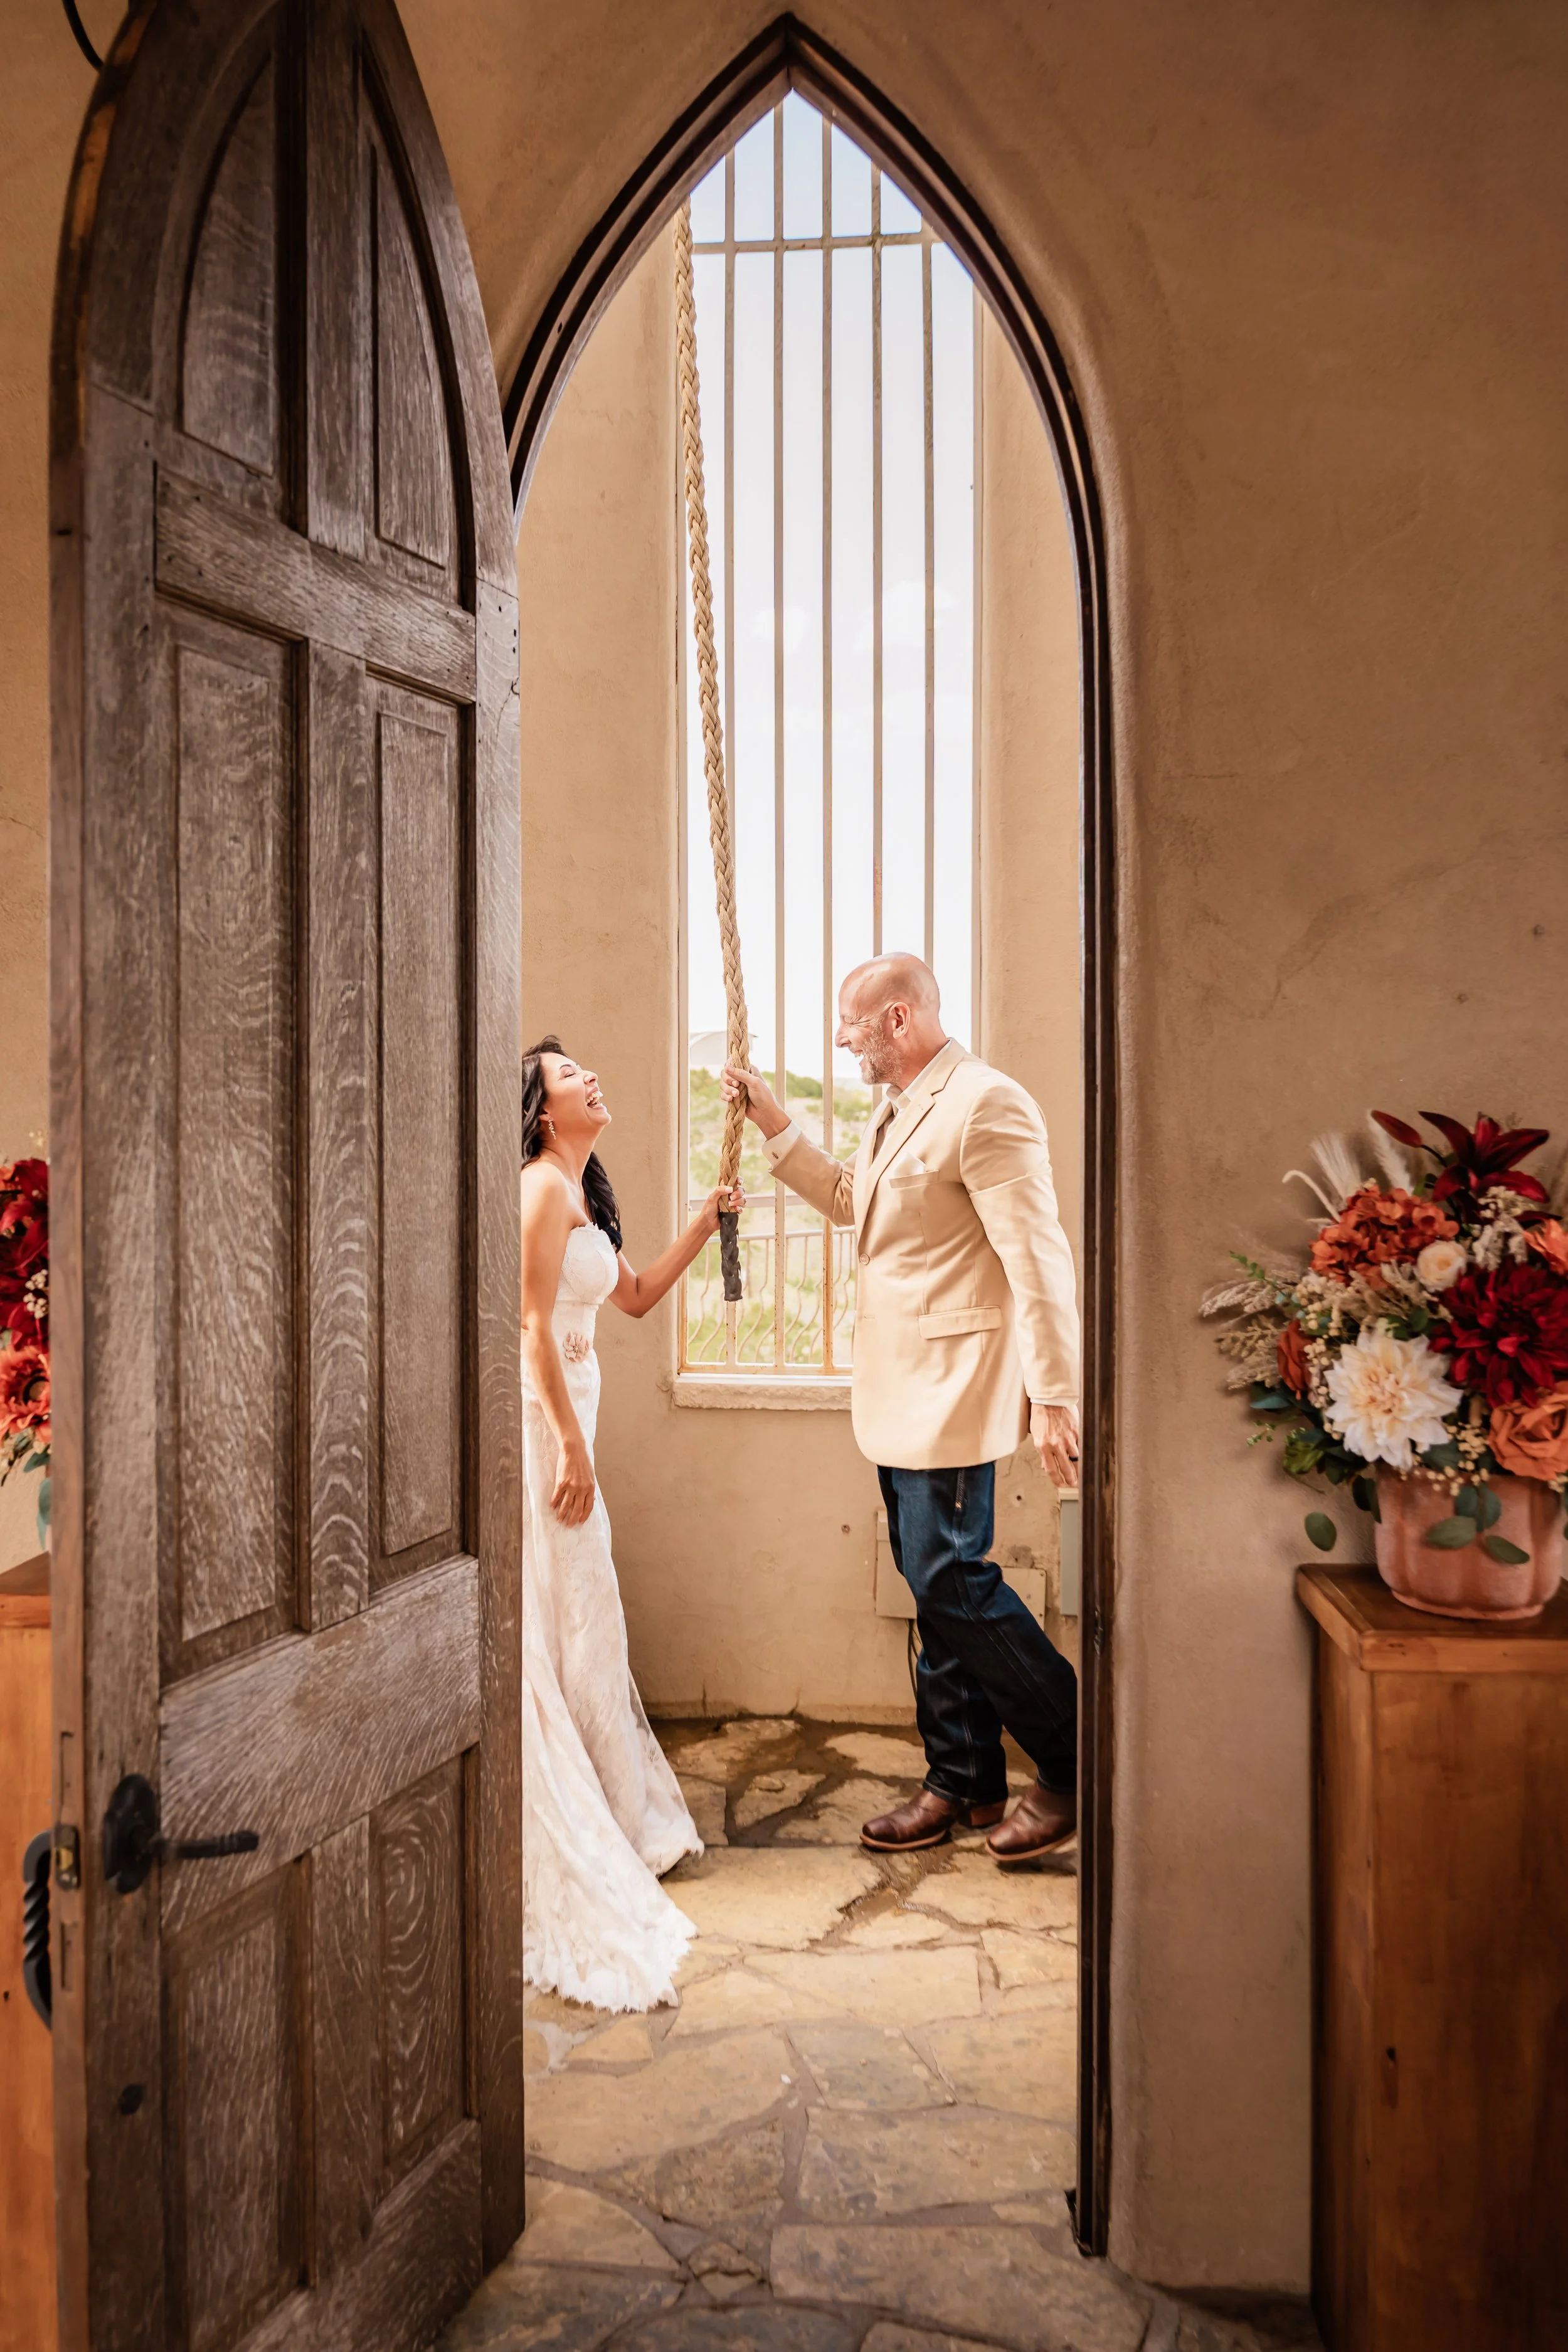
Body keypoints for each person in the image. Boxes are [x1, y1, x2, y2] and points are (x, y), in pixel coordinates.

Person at [723, 956, 1082, 1867]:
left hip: (955, 1388)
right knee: (935, 1588)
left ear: (895, 1017)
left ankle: (1083, 1754)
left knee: (952, 1580)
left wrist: (1055, 1392)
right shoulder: (898, 1108)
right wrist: (774, 1122)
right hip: (899, 1386)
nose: (841, 1040)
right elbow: (856, 1201)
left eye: (849, 1023)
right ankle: (962, 1778)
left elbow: (1037, 1257)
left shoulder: (986, 1102)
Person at [519, 1036, 741, 2008]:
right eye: (571, 1077)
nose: (591, 1077)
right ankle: (588, 1815)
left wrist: (704, 1222)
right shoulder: (537, 1187)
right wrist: (570, 1445)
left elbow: (639, 1296)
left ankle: (617, 1812)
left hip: (574, 1422)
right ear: (539, 1109)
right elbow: (530, 1325)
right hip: (543, 1430)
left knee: (585, 1617)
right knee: (569, 1608)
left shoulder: (577, 1191)